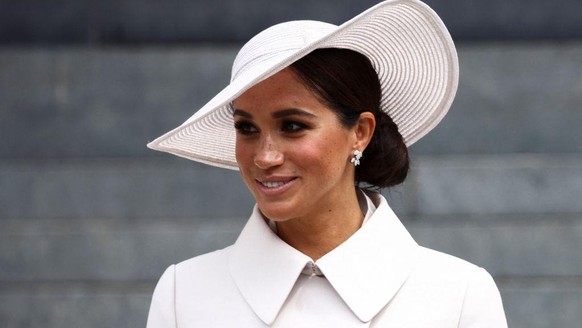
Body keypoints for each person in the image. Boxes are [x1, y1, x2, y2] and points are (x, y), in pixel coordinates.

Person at [146, 0, 508, 326]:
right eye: (247, 128)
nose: (264, 156)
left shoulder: (459, 297)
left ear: (360, 132)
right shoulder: (184, 295)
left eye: (293, 126)